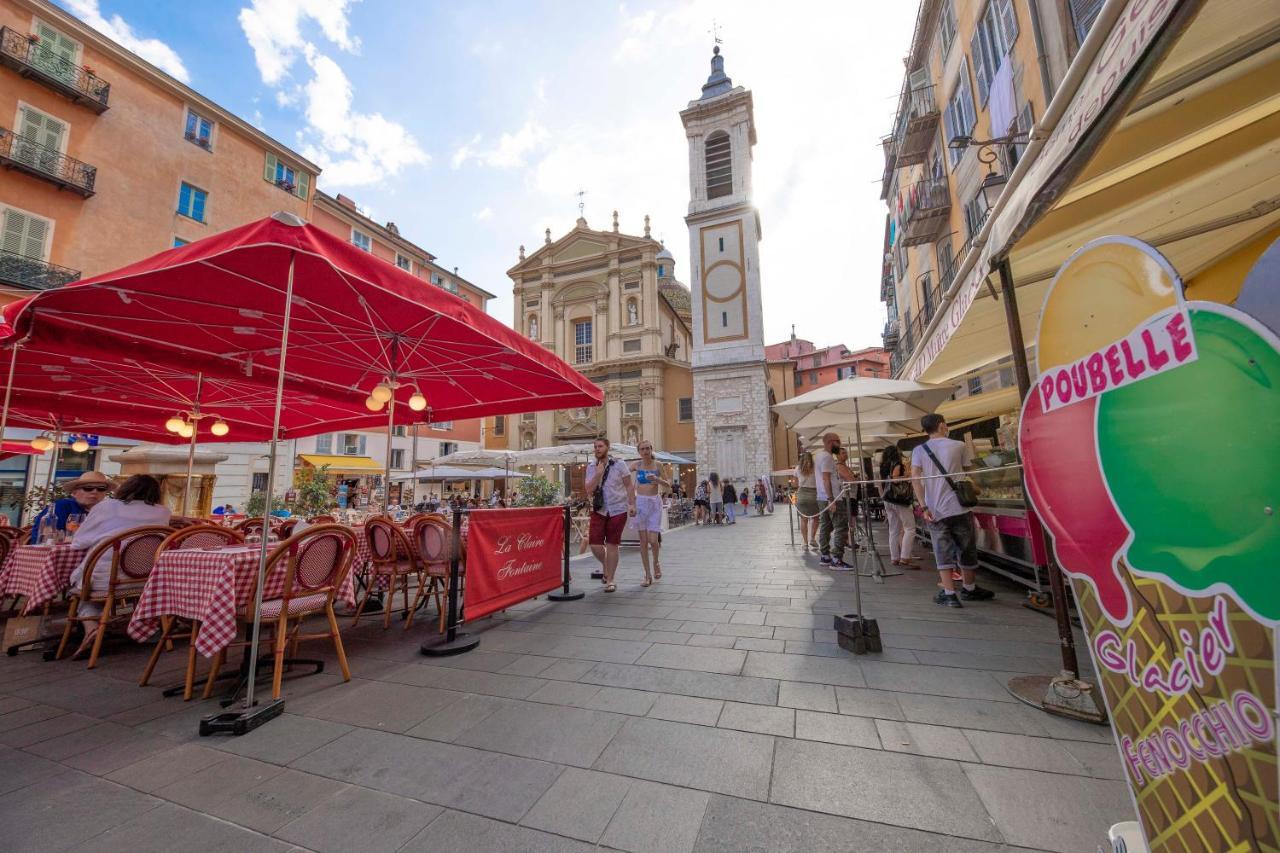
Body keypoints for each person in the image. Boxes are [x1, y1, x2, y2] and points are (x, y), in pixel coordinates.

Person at [66, 475, 172, 658]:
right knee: (103, 589)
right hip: (145, 579)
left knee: (81, 588)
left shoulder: (106, 506)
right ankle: (126, 623)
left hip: (104, 578)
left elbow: (78, 542)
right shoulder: (163, 512)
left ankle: (92, 626)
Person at [911, 414, 994, 607]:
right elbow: (970, 473)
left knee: (942, 550)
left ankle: (949, 594)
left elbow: (915, 479)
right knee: (966, 548)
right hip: (960, 506)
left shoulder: (919, 450)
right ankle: (969, 588)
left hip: (935, 509)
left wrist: (923, 506)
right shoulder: (959, 446)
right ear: (942, 425)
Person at [585, 438, 635, 593]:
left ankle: (611, 579)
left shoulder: (619, 464)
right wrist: (598, 475)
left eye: (600, 446)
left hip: (618, 509)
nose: (597, 449)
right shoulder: (591, 467)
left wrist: (632, 504)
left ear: (607, 447)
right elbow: (588, 489)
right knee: (594, 545)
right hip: (599, 509)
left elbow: (628, 485)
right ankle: (607, 566)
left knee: (612, 544)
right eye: (595, 447)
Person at [28, 471, 113, 544]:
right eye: (88, 488)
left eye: (101, 488)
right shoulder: (62, 506)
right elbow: (44, 538)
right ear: (74, 492)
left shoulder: (107, 512)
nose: (95, 491)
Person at [630, 440, 669, 586]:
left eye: (648, 448)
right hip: (640, 504)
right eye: (642, 449)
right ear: (639, 452)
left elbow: (668, 485)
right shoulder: (636, 465)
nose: (646, 451)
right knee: (643, 542)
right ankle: (647, 575)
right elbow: (625, 478)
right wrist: (630, 503)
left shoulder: (658, 465)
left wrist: (657, 480)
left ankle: (656, 562)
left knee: (653, 540)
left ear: (651, 449)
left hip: (654, 503)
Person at [814, 433, 850, 568]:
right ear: (830, 442)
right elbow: (826, 478)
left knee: (825, 526)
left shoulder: (819, 456)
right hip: (832, 497)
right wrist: (831, 499)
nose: (839, 444)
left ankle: (825, 556)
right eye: (838, 441)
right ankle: (837, 559)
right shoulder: (827, 458)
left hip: (822, 497)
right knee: (841, 527)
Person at [880, 445, 918, 568]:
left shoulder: (883, 465)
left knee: (893, 530)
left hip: (888, 499)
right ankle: (905, 556)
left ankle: (894, 558)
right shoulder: (897, 464)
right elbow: (895, 480)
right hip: (899, 499)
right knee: (910, 527)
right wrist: (907, 476)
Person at [794, 452, 819, 551]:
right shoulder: (815, 467)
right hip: (814, 494)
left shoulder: (797, 468)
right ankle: (812, 538)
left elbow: (796, 483)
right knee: (816, 518)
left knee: (804, 519)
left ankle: (805, 543)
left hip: (802, 494)